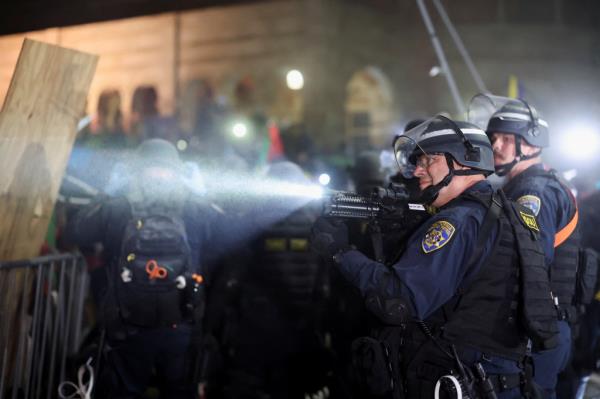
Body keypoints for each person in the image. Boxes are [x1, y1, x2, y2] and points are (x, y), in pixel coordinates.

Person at [311, 116, 559, 398]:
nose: (418, 170)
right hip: (499, 379)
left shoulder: (458, 221)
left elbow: (398, 301)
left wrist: (341, 252)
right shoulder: (512, 213)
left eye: (428, 160)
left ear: (463, 161)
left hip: (461, 379)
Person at [65, 138, 216, 398]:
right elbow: (222, 238)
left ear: (136, 169)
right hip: (181, 323)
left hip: (127, 325)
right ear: (178, 170)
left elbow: (76, 232)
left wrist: (107, 193)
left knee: (122, 390)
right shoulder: (193, 206)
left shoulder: (119, 206)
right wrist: (203, 196)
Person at [475, 95, 580, 398]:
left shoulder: (533, 193)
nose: (496, 145)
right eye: (494, 137)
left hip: (536, 327)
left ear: (532, 145)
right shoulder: (525, 185)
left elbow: (530, 259)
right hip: (541, 324)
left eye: (508, 138)